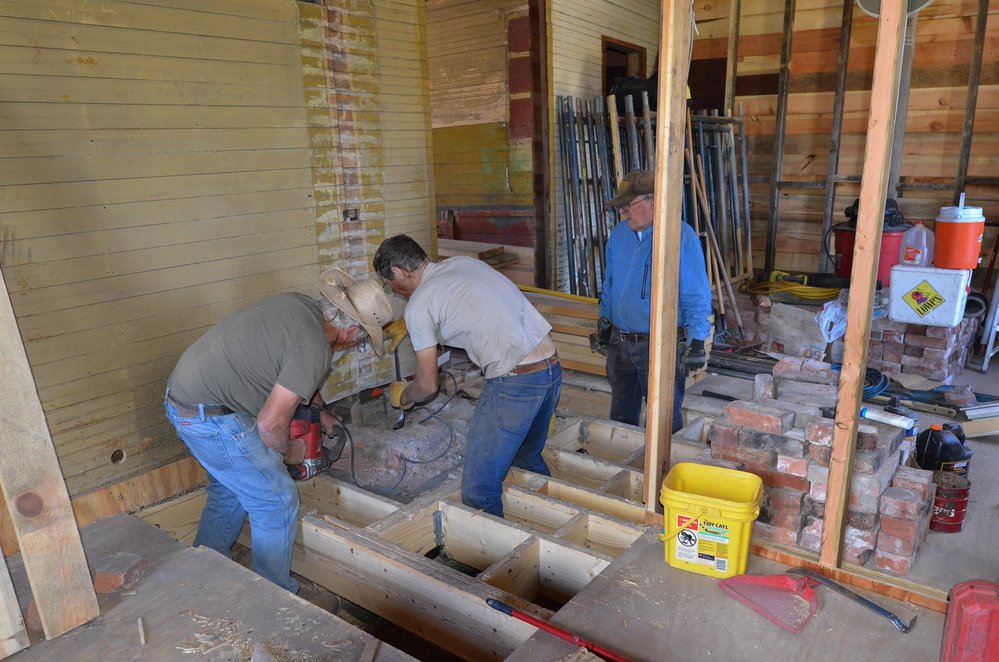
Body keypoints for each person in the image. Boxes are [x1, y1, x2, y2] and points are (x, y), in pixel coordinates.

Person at [164, 268, 393, 593]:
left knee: (231, 491)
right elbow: (270, 424)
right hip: (212, 418)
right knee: (276, 501)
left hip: (186, 398)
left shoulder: (302, 308)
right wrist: (289, 452)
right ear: (351, 329)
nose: (357, 345)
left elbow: (296, 370)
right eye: (361, 340)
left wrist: (321, 411)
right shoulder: (314, 349)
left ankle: (208, 574)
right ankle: (274, 598)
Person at [373, 235, 561, 518]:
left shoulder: (419, 306)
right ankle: (552, 526)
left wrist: (405, 394)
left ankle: (501, 560)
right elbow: (472, 311)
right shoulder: (460, 264)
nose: (396, 291)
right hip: (551, 368)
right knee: (526, 459)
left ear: (399, 272)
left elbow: (427, 386)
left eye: (391, 284)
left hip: (516, 380)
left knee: (477, 490)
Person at [595, 169, 712, 432]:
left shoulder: (679, 235)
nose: (622, 212)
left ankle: (664, 472)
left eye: (628, 205)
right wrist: (604, 325)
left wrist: (696, 340)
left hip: (659, 345)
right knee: (621, 419)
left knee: (664, 423)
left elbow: (696, 293)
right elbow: (610, 287)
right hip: (620, 344)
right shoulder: (619, 235)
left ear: (653, 201)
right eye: (621, 206)